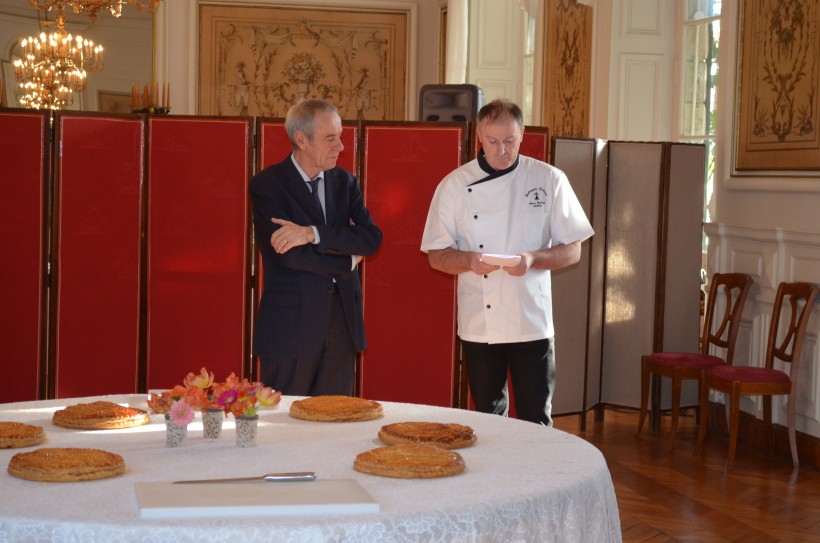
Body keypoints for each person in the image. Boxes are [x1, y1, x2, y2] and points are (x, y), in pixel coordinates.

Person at [420, 99, 593, 426]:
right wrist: (471, 260)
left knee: (536, 417)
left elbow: (573, 250)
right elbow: (437, 256)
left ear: (522, 134)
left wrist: (532, 258)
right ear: (480, 139)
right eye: (493, 141)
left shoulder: (549, 179)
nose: (502, 150)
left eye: (509, 141)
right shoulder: (454, 185)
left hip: (531, 318)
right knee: (488, 415)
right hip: (479, 322)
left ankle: (540, 477)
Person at [249, 99, 382, 396]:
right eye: (330, 138)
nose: (341, 146)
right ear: (301, 139)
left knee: (334, 422)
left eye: (341, 136)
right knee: (284, 423)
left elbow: (371, 239)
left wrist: (313, 234)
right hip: (291, 327)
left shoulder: (345, 182)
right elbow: (289, 256)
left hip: (342, 325)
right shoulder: (268, 185)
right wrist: (347, 261)